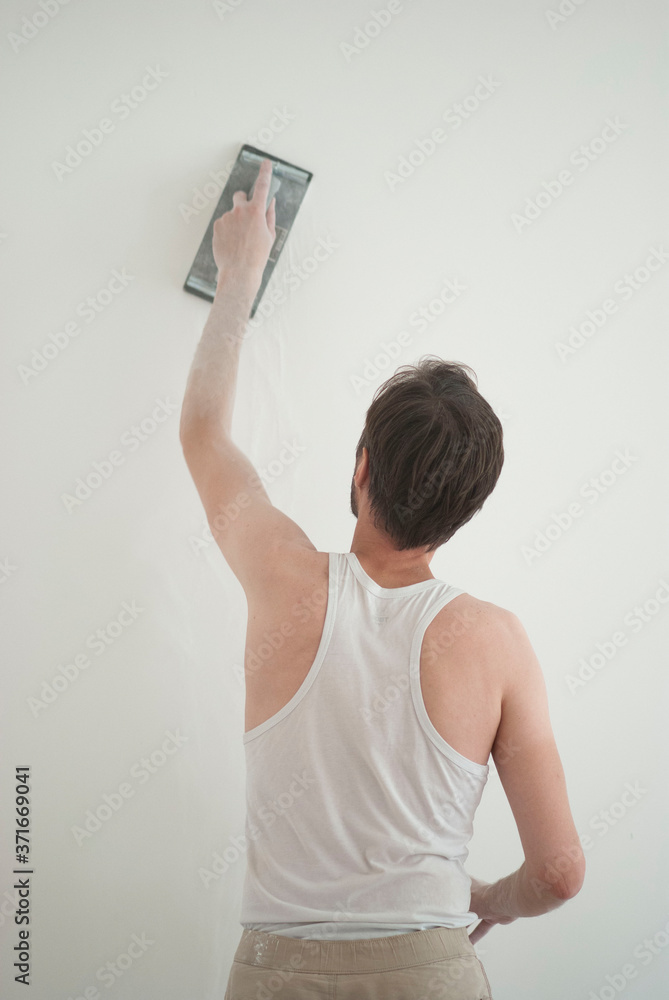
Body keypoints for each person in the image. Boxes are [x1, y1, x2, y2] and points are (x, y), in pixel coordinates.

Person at [179, 158, 585, 999]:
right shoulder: (496, 643)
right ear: (468, 509)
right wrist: (487, 900)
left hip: (277, 975)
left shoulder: (282, 577)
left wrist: (239, 277)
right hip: (429, 973)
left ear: (361, 466)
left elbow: (204, 434)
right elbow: (557, 873)